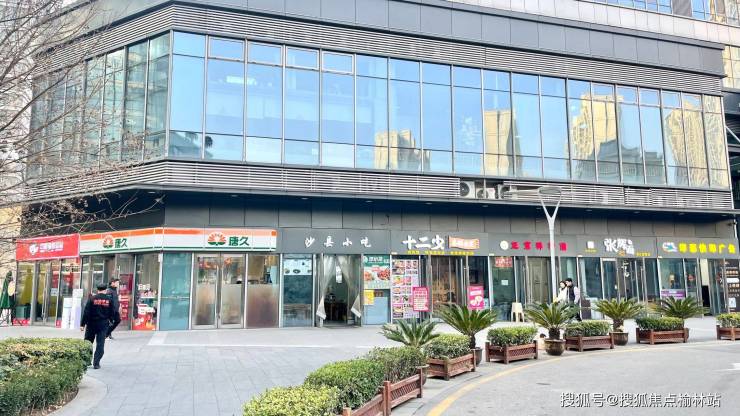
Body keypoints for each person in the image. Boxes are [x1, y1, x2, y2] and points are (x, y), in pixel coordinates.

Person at [81, 283, 116, 369]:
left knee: (88, 343)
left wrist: (82, 324)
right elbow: (112, 312)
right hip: (103, 324)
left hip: (91, 324)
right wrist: (111, 320)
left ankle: (86, 361)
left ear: (97, 290)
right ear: (106, 290)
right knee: (100, 344)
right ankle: (96, 363)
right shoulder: (109, 300)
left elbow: (86, 312)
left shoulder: (92, 299)